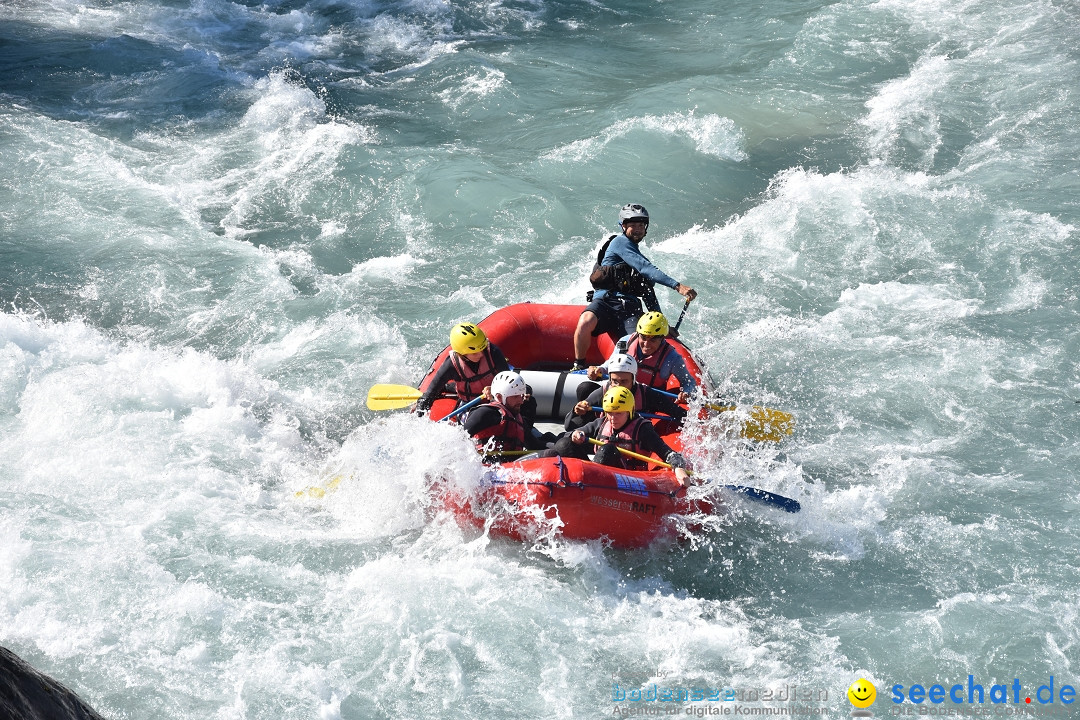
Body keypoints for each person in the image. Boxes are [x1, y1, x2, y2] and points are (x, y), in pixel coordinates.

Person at [571, 203, 697, 370]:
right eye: (633, 225)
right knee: (586, 321)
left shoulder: (638, 258)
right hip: (606, 302)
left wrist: (663, 326)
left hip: (629, 309)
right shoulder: (619, 242)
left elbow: (649, 295)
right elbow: (646, 268)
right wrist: (677, 286)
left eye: (641, 225)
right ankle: (579, 365)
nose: (638, 229)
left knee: (636, 345)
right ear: (623, 226)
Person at [544, 386, 691, 486]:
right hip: (597, 478)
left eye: (618, 413)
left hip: (629, 481)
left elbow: (668, 453)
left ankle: (589, 488)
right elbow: (569, 434)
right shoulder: (601, 423)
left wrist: (678, 467)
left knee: (608, 449)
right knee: (563, 444)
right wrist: (575, 434)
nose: (613, 417)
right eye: (610, 412)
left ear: (630, 411)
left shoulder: (643, 429)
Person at [587, 311, 697, 403]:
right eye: (643, 337)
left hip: (647, 402)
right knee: (584, 389)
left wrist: (686, 393)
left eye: (653, 340)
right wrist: (599, 369)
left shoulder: (671, 358)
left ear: (662, 338)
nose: (646, 344)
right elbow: (610, 365)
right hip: (619, 393)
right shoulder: (626, 342)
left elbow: (689, 383)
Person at [564, 353, 686, 431]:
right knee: (565, 441)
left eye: (624, 381)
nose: (619, 386)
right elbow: (569, 425)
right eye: (615, 381)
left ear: (633, 379)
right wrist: (578, 409)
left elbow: (679, 413)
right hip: (605, 437)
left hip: (632, 441)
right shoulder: (604, 391)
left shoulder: (647, 395)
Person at [416, 322, 510, 414]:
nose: (481, 354)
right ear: (461, 353)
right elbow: (429, 395)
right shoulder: (451, 365)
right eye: (475, 353)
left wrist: (494, 389)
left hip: (496, 398)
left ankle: (449, 387)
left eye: (482, 349)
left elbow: (509, 381)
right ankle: (447, 388)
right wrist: (421, 407)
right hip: (470, 404)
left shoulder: (493, 352)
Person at [464, 371, 548, 456]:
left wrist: (556, 447)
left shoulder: (517, 418)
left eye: (521, 396)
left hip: (510, 465)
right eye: (515, 396)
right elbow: (461, 439)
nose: (521, 401)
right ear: (500, 397)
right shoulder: (484, 413)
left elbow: (534, 445)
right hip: (486, 465)